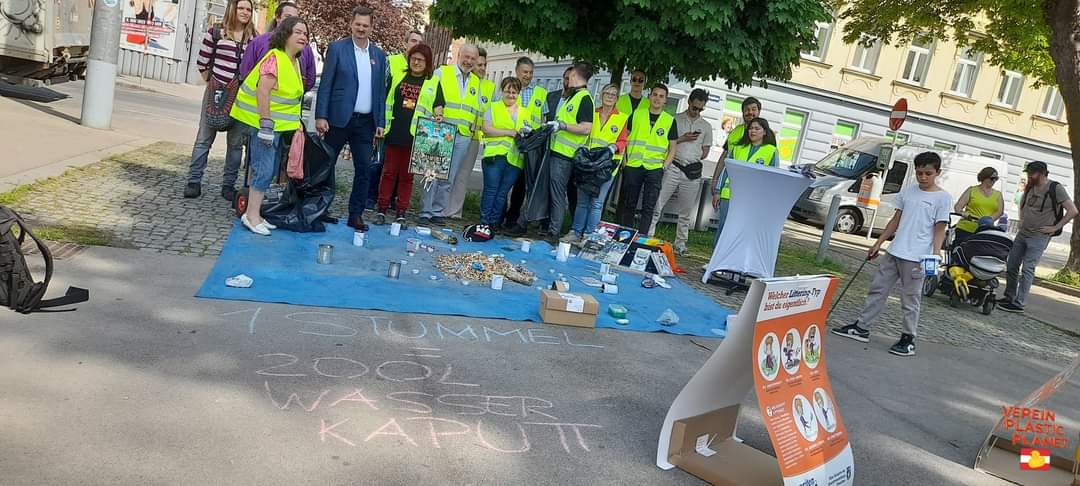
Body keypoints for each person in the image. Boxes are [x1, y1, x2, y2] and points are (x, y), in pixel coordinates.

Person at [832, 152, 953, 357]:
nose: (923, 177)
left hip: (917, 257)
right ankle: (862, 327)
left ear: (937, 173)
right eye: (919, 173)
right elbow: (896, 220)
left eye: (928, 173)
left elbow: (940, 228)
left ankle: (908, 337)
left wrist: (935, 254)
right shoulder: (908, 192)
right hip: (895, 250)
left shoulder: (943, 198)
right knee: (878, 289)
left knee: (910, 298)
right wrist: (878, 243)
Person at [229, 17, 308, 235]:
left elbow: (289, 99)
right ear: (286, 35)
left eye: (305, 34)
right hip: (265, 127)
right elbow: (262, 91)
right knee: (263, 170)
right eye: (298, 32)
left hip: (277, 128)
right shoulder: (275, 58)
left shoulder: (294, 61)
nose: (303, 37)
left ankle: (256, 213)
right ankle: (251, 216)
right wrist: (265, 125)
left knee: (269, 170)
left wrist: (295, 124)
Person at [314, 6, 388, 231]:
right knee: (326, 165)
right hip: (337, 119)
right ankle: (320, 209)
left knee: (364, 169)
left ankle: (355, 214)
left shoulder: (379, 55)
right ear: (351, 24)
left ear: (371, 27)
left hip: (365, 123)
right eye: (358, 24)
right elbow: (326, 84)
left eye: (366, 26)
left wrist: (381, 122)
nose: (361, 29)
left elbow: (380, 93)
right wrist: (321, 115)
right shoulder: (337, 49)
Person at [183, 0, 258, 200]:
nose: (245, 12)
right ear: (233, 9)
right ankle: (194, 181)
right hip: (215, 92)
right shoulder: (217, 31)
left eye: (249, 9)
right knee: (204, 139)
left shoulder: (254, 37)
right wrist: (214, 84)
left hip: (240, 97)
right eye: (241, 8)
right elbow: (202, 62)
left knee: (235, 144)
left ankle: (228, 186)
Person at [375, 43, 443, 224]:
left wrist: (439, 115)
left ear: (427, 62)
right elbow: (386, 100)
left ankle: (401, 212)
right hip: (394, 131)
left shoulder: (433, 82)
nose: (417, 62)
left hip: (417, 137)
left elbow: (438, 105)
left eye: (421, 59)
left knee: (407, 177)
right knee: (389, 173)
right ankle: (382, 208)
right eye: (414, 58)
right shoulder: (398, 76)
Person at [999, 161, 1077, 313]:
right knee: (1012, 265)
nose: (1029, 176)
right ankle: (1009, 296)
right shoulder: (1030, 186)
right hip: (1024, 232)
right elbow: (1023, 202)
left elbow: (1072, 210)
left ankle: (1019, 303)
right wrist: (1021, 219)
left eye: (1032, 173)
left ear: (1041, 173)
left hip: (1039, 236)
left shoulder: (1055, 188)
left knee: (1028, 268)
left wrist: (1055, 227)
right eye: (1028, 173)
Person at [417, 44, 482, 226]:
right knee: (432, 173)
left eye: (472, 58)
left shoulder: (476, 82)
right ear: (459, 55)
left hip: (463, 135)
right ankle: (425, 211)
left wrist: (472, 131)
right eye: (466, 56)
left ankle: (438, 211)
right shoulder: (442, 73)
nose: (468, 61)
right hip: (441, 131)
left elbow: (475, 109)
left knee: (449, 177)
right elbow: (429, 97)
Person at [647, 88, 712, 253]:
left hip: (691, 170)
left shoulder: (706, 126)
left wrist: (695, 152)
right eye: (694, 107)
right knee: (658, 203)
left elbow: (705, 152)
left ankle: (681, 243)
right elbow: (668, 143)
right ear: (689, 102)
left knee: (686, 211)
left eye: (700, 109)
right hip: (674, 166)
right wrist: (683, 139)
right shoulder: (674, 119)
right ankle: (648, 235)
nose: (697, 111)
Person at [565, 83, 628, 241]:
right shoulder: (592, 113)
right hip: (587, 164)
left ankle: (589, 236)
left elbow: (623, 141)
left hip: (607, 166)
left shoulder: (622, 117)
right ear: (601, 94)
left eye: (613, 95)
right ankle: (575, 232)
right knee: (582, 201)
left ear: (617, 98)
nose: (609, 97)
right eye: (607, 93)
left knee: (597, 203)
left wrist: (613, 148)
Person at [539, 62, 594, 238]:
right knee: (555, 192)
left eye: (569, 76)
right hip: (558, 151)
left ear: (575, 76)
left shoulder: (584, 98)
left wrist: (562, 126)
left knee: (557, 194)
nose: (567, 79)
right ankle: (552, 228)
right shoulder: (574, 96)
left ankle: (553, 231)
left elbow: (586, 127)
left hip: (566, 155)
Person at [617, 83, 678, 234]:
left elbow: (673, 148)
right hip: (633, 165)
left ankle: (642, 237)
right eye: (655, 95)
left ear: (665, 100)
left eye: (661, 96)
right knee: (629, 204)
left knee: (648, 207)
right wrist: (624, 162)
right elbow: (624, 137)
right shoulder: (637, 114)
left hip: (655, 169)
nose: (657, 98)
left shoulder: (669, 120)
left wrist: (664, 166)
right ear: (650, 96)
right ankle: (626, 236)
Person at [445, 47, 492, 220]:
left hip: (473, 136)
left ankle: (454, 211)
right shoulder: (461, 79)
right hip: (453, 131)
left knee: (462, 175)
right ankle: (441, 207)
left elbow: (487, 112)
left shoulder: (488, 86)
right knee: (446, 172)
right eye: (478, 64)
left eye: (483, 65)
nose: (480, 68)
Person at [502, 57, 548, 227]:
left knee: (521, 185)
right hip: (509, 142)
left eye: (530, 72)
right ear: (517, 71)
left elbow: (543, 120)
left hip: (530, 146)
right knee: (504, 183)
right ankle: (499, 216)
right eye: (524, 72)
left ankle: (512, 218)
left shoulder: (541, 93)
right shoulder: (509, 90)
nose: (527, 76)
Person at [710, 97, 761, 244]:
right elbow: (725, 157)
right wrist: (715, 180)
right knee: (723, 226)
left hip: (750, 193)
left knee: (742, 230)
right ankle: (716, 262)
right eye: (747, 110)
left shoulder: (766, 134)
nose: (750, 113)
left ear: (759, 111)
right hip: (729, 190)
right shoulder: (735, 132)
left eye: (753, 109)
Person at [478, 77, 527, 231]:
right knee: (491, 190)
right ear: (502, 91)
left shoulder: (525, 112)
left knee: (502, 193)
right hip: (494, 156)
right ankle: (484, 222)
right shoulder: (493, 107)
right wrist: (509, 133)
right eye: (508, 91)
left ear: (519, 93)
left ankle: (494, 223)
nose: (511, 95)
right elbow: (486, 128)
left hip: (514, 159)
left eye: (514, 92)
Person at [237, 1, 316, 92]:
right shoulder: (258, 43)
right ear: (277, 17)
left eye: (295, 18)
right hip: (258, 101)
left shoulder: (305, 48)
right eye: (288, 17)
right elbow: (245, 72)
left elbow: (310, 80)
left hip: (289, 104)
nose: (292, 22)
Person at [953, 167, 1005, 244]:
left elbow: (1000, 211)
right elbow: (958, 207)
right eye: (992, 178)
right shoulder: (972, 190)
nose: (994, 181)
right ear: (984, 177)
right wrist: (964, 213)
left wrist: (988, 220)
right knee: (960, 251)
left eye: (996, 178)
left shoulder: (998, 194)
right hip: (966, 228)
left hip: (984, 231)